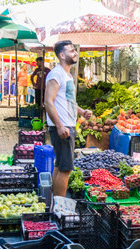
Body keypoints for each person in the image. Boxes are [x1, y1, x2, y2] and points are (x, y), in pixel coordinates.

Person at [44, 40, 92, 197]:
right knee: (66, 169)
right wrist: (59, 126)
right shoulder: (56, 74)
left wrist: (81, 112)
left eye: (75, 50)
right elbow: (48, 102)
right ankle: (59, 207)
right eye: (71, 51)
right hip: (62, 127)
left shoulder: (67, 75)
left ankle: (55, 203)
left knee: (60, 165)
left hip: (68, 125)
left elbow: (68, 101)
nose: (75, 53)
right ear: (62, 55)